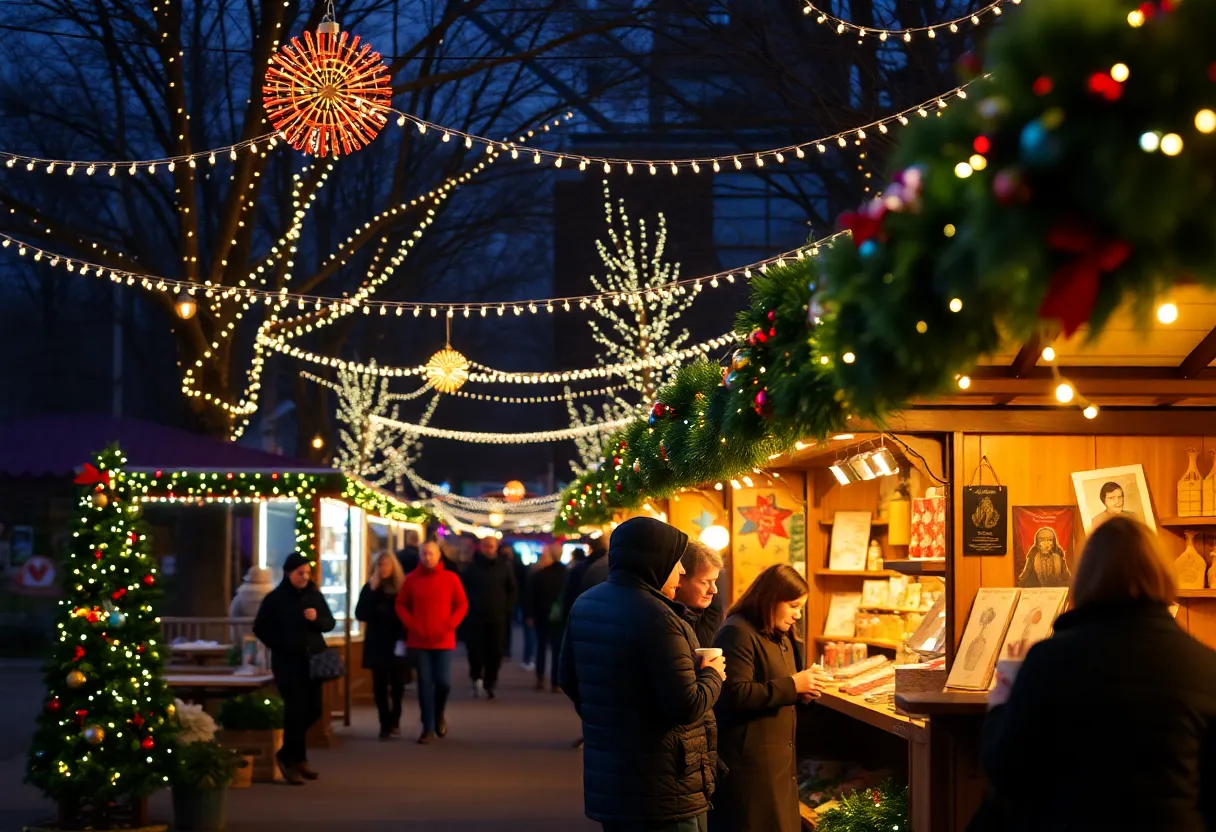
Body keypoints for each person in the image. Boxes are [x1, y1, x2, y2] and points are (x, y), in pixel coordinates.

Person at [979, 517, 1216, 831]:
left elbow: (1006, 769)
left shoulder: (1048, 660)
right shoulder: (1206, 667)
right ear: (1162, 574)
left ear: (1084, 578)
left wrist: (1000, 703)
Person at [561, 516, 726, 831]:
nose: (681, 571)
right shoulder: (659, 617)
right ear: (655, 561)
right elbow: (687, 706)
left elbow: (568, 679)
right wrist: (713, 675)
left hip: (611, 773)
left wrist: (611, 719)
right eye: (676, 562)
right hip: (664, 783)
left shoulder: (586, 603)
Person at [709, 565, 825, 832]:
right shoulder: (737, 631)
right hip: (749, 768)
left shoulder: (781, 635)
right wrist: (793, 686)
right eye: (793, 606)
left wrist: (802, 694)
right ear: (771, 599)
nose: (798, 615)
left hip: (778, 763)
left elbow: (778, 688)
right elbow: (733, 694)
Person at [253, 552, 335, 785]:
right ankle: (295, 760)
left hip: (312, 662)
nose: (305, 577)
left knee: (314, 709)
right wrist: (281, 643)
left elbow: (329, 623)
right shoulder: (275, 598)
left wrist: (316, 618)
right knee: (295, 710)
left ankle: (289, 754)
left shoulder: (314, 595)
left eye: (308, 573)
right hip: (288, 663)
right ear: (289, 573)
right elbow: (260, 628)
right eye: (301, 573)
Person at [395, 541, 468, 744]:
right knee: (425, 683)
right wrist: (411, 624)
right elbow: (400, 604)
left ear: (438, 555)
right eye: (424, 554)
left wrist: (450, 624)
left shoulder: (450, 578)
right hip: (418, 640)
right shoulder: (411, 579)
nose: (427, 558)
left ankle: (438, 713)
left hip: (443, 639)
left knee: (443, 682)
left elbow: (462, 604)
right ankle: (427, 727)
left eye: (431, 554)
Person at [355, 552, 407, 739]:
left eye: (386, 565)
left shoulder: (401, 587)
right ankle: (385, 723)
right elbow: (360, 614)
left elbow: (406, 615)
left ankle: (395, 719)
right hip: (377, 641)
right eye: (380, 565)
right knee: (380, 685)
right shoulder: (370, 587)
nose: (383, 568)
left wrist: (404, 639)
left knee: (398, 684)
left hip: (396, 640)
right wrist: (371, 590)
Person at [460, 535, 517, 698]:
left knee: (495, 652)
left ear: (496, 548)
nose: (488, 549)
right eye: (486, 546)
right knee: (475, 651)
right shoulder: (471, 568)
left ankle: (490, 682)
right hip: (475, 617)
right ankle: (476, 677)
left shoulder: (504, 567)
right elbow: (463, 590)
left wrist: (507, 608)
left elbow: (512, 589)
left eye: (491, 546)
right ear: (481, 547)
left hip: (497, 617)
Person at [529, 541, 568, 692]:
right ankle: (556, 682)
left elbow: (532, 596)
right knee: (557, 649)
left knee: (541, 646)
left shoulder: (540, 574)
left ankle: (540, 677)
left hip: (541, 614)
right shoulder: (567, 574)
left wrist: (530, 614)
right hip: (560, 617)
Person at [674, 541, 725, 648]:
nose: (714, 590)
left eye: (715, 581)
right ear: (680, 578)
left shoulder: (714, 611)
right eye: (704, 582)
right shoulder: (663, 615)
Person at [562, 536, 607, 622]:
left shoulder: (579, 569)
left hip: (581, 613)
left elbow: (570, 594)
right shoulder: (610, 566)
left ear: (590, 548)